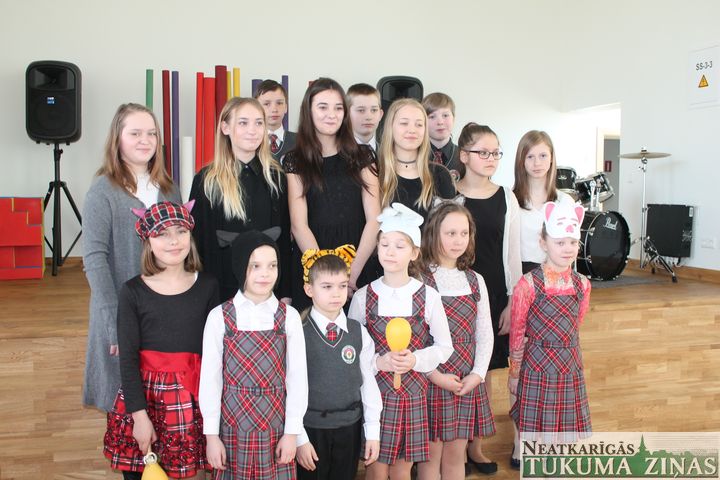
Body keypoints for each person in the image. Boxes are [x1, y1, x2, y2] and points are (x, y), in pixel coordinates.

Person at [103, 201, 219, 480]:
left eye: (181, 231)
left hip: (191, 402)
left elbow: (215, 354)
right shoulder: (132, 291)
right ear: (147, 241)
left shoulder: (208, 286)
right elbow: (128, 359)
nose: (173, 241)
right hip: (146, 401)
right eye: (162, 234)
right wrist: (139, 416)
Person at [83, 103, 180, 413]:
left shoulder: (168, 190)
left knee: (160, 399)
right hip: (121, 309)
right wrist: (112, 320)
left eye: (151, 133)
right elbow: (94, 259)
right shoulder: (103, 191)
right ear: (118, 138)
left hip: (162, 309)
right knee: (124, 404)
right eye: (135, 133)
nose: (145, 140)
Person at [348, 203, 453, 480]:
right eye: (384, 244)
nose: (390, 252)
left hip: (413, 396)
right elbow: (351, 353)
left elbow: (444, 347)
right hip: (375, 396)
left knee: (402, 469)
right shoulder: (362, 297)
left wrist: (416, 359)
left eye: (399, 245)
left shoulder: (428, 296)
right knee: (375, 468)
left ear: (414, 252)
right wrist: (378, 362)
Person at [199, 228, 308, 479]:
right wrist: (211, 436)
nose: (265, 273)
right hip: (232, 430)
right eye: (255, 266)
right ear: (240, 268)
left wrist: (292, 433)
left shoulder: (289, 317)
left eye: (272, 265)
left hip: (276, 429)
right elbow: (210, 381)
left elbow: (297, 379)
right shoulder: (220, 317)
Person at [454, 122, 522, 468]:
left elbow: (512, 253)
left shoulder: (506, 196)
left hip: (495, 292)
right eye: (483, 152)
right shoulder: (449, 195)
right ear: (464, 155)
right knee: (455, 367)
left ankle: (476, 445)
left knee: (486, 370)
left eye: (496, 152)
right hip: (456, 294)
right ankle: (454, 445)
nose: (491, 158)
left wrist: (513, 302)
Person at [285, 77, 381, 311]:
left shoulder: (363, 156)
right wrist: (325, 278)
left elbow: (374, 219)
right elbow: (299, 225)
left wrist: (351, 274)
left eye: (338, 108)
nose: (331, 115)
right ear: (309, 111)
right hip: (314, 262)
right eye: (323, 107)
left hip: (359, 259)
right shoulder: (295, 160)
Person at [417, 199, 496, 479]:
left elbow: (484, 333)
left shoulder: (475, 280)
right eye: (450, 233)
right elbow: (416, 340)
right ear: (433, 234)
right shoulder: (419, 279)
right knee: (429, 458)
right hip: (432, 380)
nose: (458, 240)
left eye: (464, 233)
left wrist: (478, 374)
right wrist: (435, 376)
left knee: (456, 455)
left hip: (465, 380)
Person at [508, 201, 592, 461]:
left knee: (563, 437)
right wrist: (514, 373)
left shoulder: (583, 284)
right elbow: (517, 333)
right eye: (560, 242)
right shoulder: (527, 284)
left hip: (569, 366)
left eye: (572, 242)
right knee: (535, 436)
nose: (567, 248)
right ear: (543, 243)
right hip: (537, 366)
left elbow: (576, 323)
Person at [189, 97, 290, 302]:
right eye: (243, 123)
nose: (252, 130)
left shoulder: (276, 178)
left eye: (259, 123)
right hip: (221, 288)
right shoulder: (206, 180)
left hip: (268, 287)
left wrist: (286, 291)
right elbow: (198, 243)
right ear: (225, 127)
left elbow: (285, 239)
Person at [295, 245, 382, 480]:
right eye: (327, 287)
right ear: (309, 289)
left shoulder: (357, 331)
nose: (336, 294)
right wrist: (299, 438)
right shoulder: (298, 332)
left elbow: (368, 383)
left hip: (349, 428)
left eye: (342, 286)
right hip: (311, 430)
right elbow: (289, 388)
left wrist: (372, 431)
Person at [378, 98, 455, 221]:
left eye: (419, 124)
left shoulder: (441, 175)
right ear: (390, 127)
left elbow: (449, 225)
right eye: (404, 123)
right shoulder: (374, 172)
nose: (412, 130)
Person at [513, 130, 574, 274]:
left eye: (543, 156)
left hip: (556, 276)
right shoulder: (510, 200)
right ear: (522, 160)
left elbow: (569, 250)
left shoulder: (565, 202)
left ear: (551, 158)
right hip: (521, 276)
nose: (537, 163)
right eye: (530, 157)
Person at [255, 79, 297, 162]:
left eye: (279, 103)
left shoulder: (300, 141)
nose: (274, 109)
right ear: (256, 108)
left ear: (286, 107)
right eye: (267, 104)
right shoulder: (251, 141)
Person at [422, 93, 461, 180]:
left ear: (453, 118)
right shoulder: (414, 156)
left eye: (445, 115)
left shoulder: (464, 156)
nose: (440, 122)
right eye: (432, 117)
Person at [347, 83, 383, 152]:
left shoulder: (389, 154)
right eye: (361, 110)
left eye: (374, 110)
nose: (368, 117)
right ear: (347, 114)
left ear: (380, 115)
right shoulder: (334, 153)